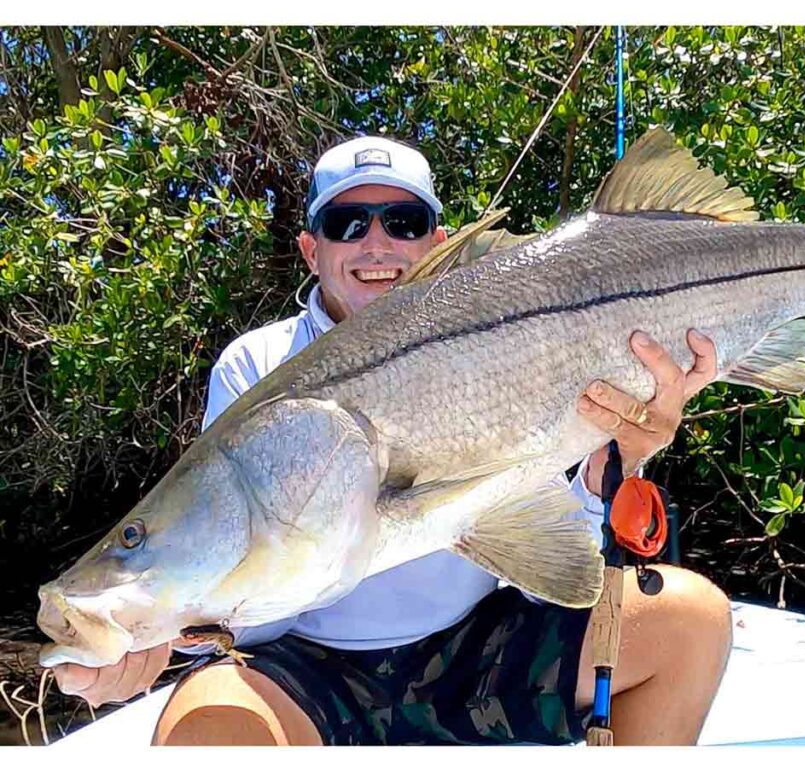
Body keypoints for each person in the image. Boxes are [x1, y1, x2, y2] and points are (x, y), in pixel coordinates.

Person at [52, 136, 733, 746]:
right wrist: (163, 633)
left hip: (476, 649)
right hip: (307, 669)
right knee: (209, 734)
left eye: (402, 222)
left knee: (690, 619)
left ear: (436, 243)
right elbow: (243, 593)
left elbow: (560, 561)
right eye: (345, 224)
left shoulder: (514, 329)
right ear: (311, 249)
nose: (376, 244)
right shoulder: (254, 367)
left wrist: (615, 464)